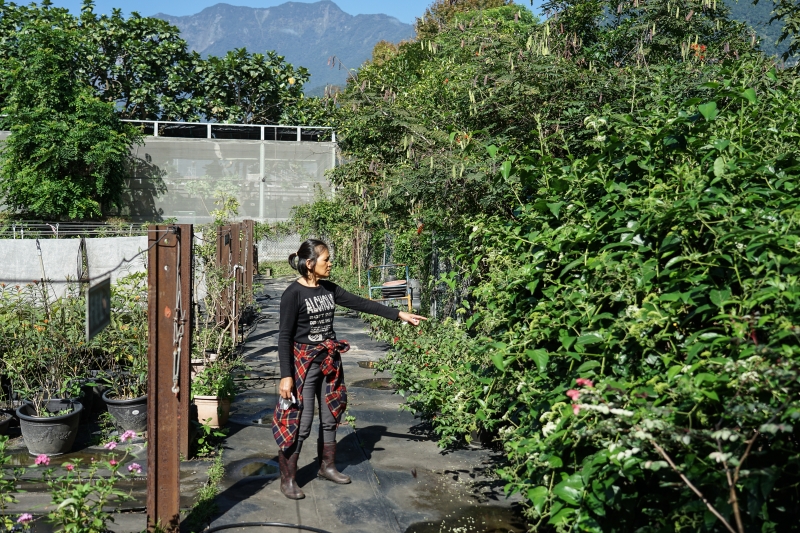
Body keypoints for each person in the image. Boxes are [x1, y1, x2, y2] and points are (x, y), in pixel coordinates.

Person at [272, 239, 426, 499]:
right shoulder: (293, 294)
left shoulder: (328, 289)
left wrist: (399, 314)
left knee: (332, 414)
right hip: (304, 365)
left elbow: (361, 303)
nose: (330, 264)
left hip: (329, 362)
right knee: (302, 422)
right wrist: (286, 375)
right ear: (310, 264)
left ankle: (327, 467)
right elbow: (284, 336)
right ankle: (288, 480)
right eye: (326, 260)